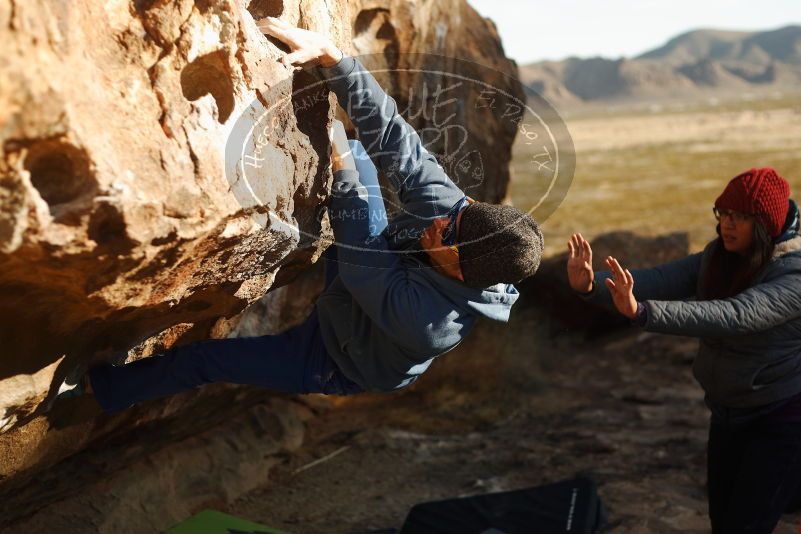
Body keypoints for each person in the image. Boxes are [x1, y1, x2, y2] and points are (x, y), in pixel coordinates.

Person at [62, 18, 543, 411]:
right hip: (367, 286)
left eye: (449, 231)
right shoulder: (462, 224)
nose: (442, 218)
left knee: (207, 362)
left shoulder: (432, 324)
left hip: (334, 358)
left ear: (461, 267)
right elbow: (402, 149)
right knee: (356, 150)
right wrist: (337, 61)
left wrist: (343, 169)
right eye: (456, 214)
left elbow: (364, 262)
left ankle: (97, 390)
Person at [567, 167, 801, 533]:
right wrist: (591, 284)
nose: (726, 224)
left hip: (781, 419)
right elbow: (659, 279)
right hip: (727, 412)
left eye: (739, 217)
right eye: (722, 214)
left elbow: (734, 315)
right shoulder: (719, 256)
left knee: (745, 525)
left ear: (764, 224)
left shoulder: (794, 275)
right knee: (723, 520)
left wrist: (641, 313)